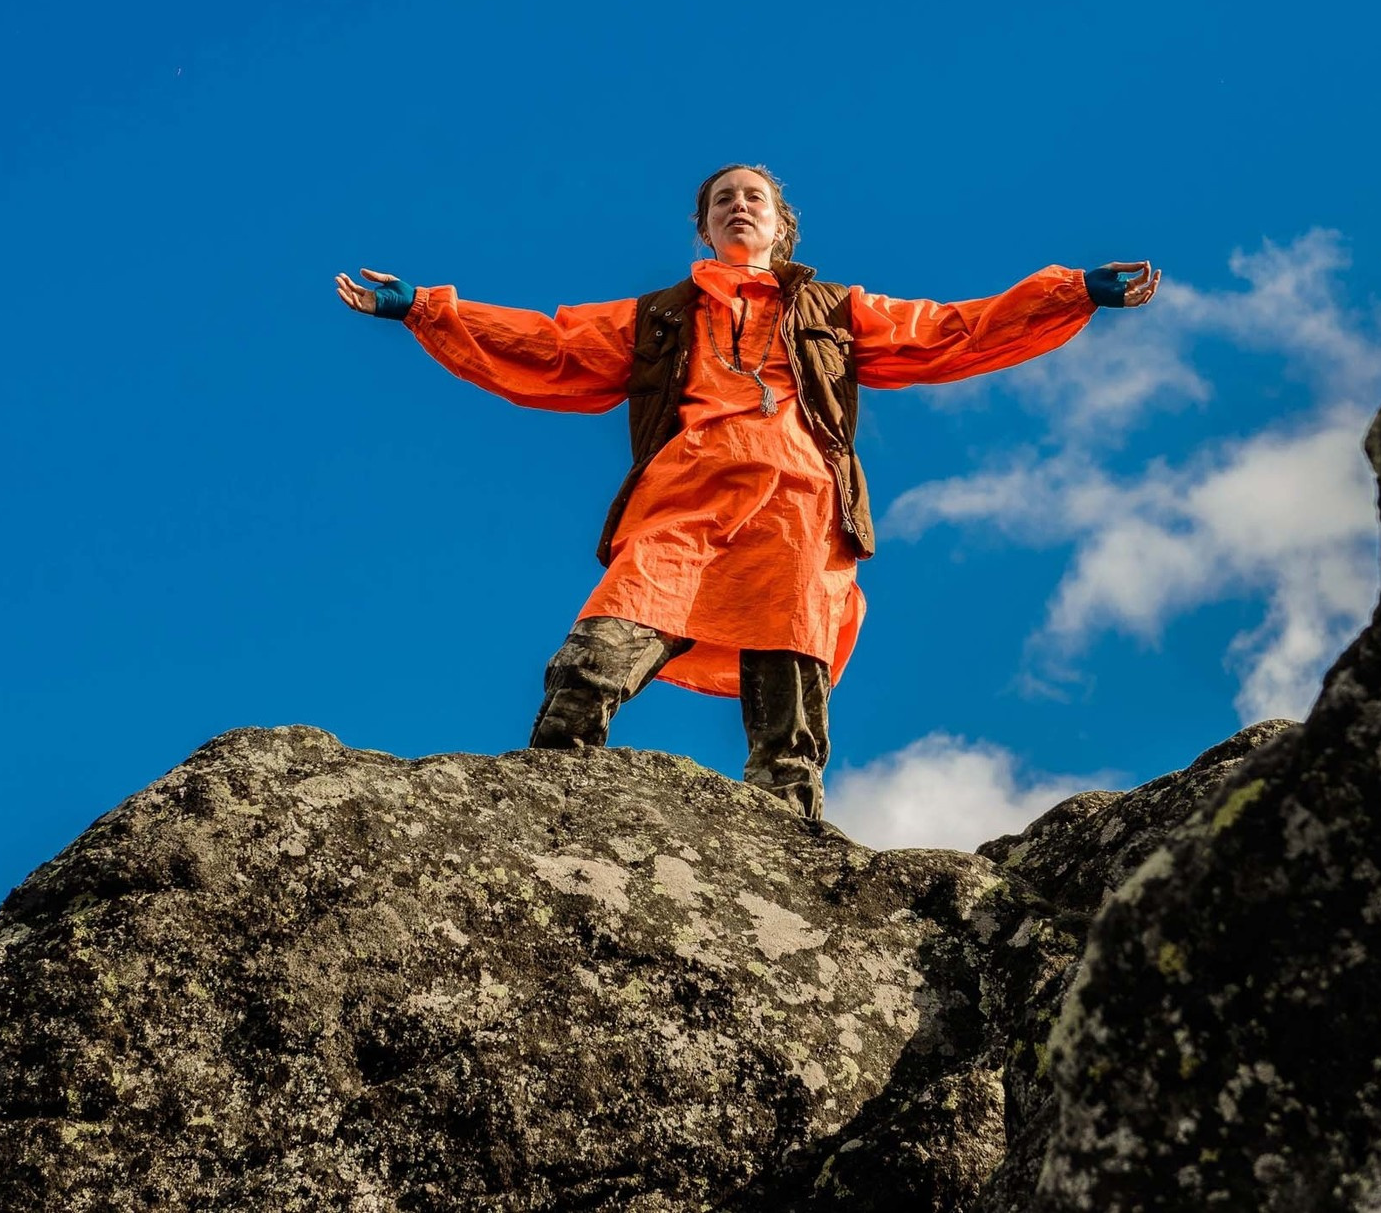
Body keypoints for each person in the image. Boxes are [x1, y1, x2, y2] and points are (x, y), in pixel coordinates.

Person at [334, 163, 1157, 821]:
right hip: (685, 497)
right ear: (703, 227)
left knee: (791, 678)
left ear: (781, 224)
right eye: (723, 199)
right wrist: (425, 309)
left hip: (801, 503)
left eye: (754, 198)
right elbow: (550, 344)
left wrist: (1071, 291)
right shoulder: (662, 313)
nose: (739, 208)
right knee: (594, 658)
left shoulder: (833, 308)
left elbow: (949, 330)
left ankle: (788, 831)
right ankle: (547, 802)